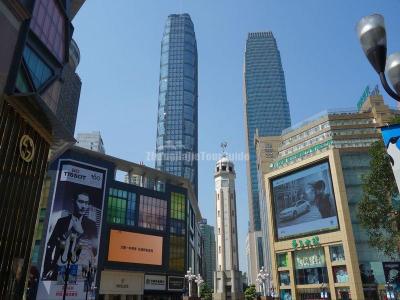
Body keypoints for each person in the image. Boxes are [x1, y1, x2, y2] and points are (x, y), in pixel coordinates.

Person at [42, 192, 98, 281]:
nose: (83, 206)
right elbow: (50, 245)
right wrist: (49, 268)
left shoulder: (91, 225)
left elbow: (94, 251)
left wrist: (81, 232)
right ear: (73, 201)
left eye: (86, 203)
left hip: (79, 270)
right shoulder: (61, 221)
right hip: (58, 267)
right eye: (80, 202)